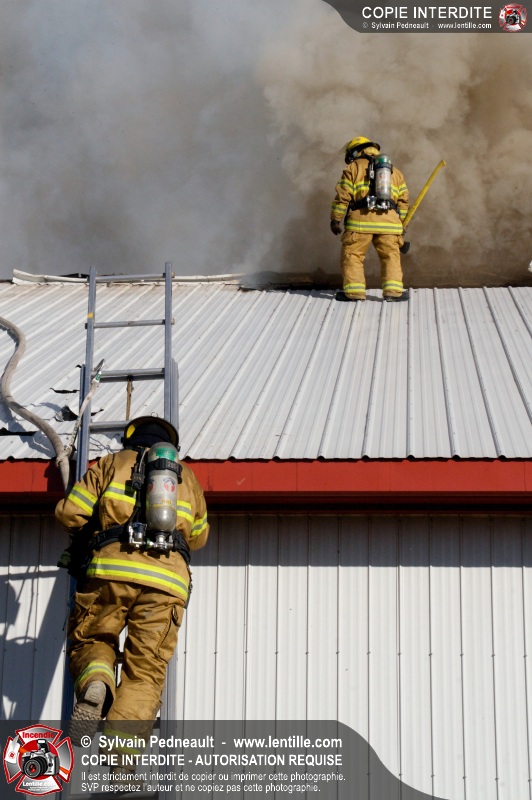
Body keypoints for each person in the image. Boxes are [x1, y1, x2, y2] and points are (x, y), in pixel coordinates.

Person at [55, 415, 209, 746]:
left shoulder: (110, 463)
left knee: (92, 638)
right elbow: (198, 537)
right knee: (146, 671)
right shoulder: (187, 478)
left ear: (130, 438)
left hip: (110, 572)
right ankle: (122, 758)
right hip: (166, 584)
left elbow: (69, 513)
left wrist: (92, 533)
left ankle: (97, 681)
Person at [330, 136, 410, 302]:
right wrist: (401, 224)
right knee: (390, 256)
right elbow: (403, 201)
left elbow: (343, 196)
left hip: (360, 223)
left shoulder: (353, 168)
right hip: (390, 224)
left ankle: (354, 293)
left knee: (353, 255)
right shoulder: (395, 172)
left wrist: (335, 219)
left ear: (355, 151)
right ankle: (393, 292)